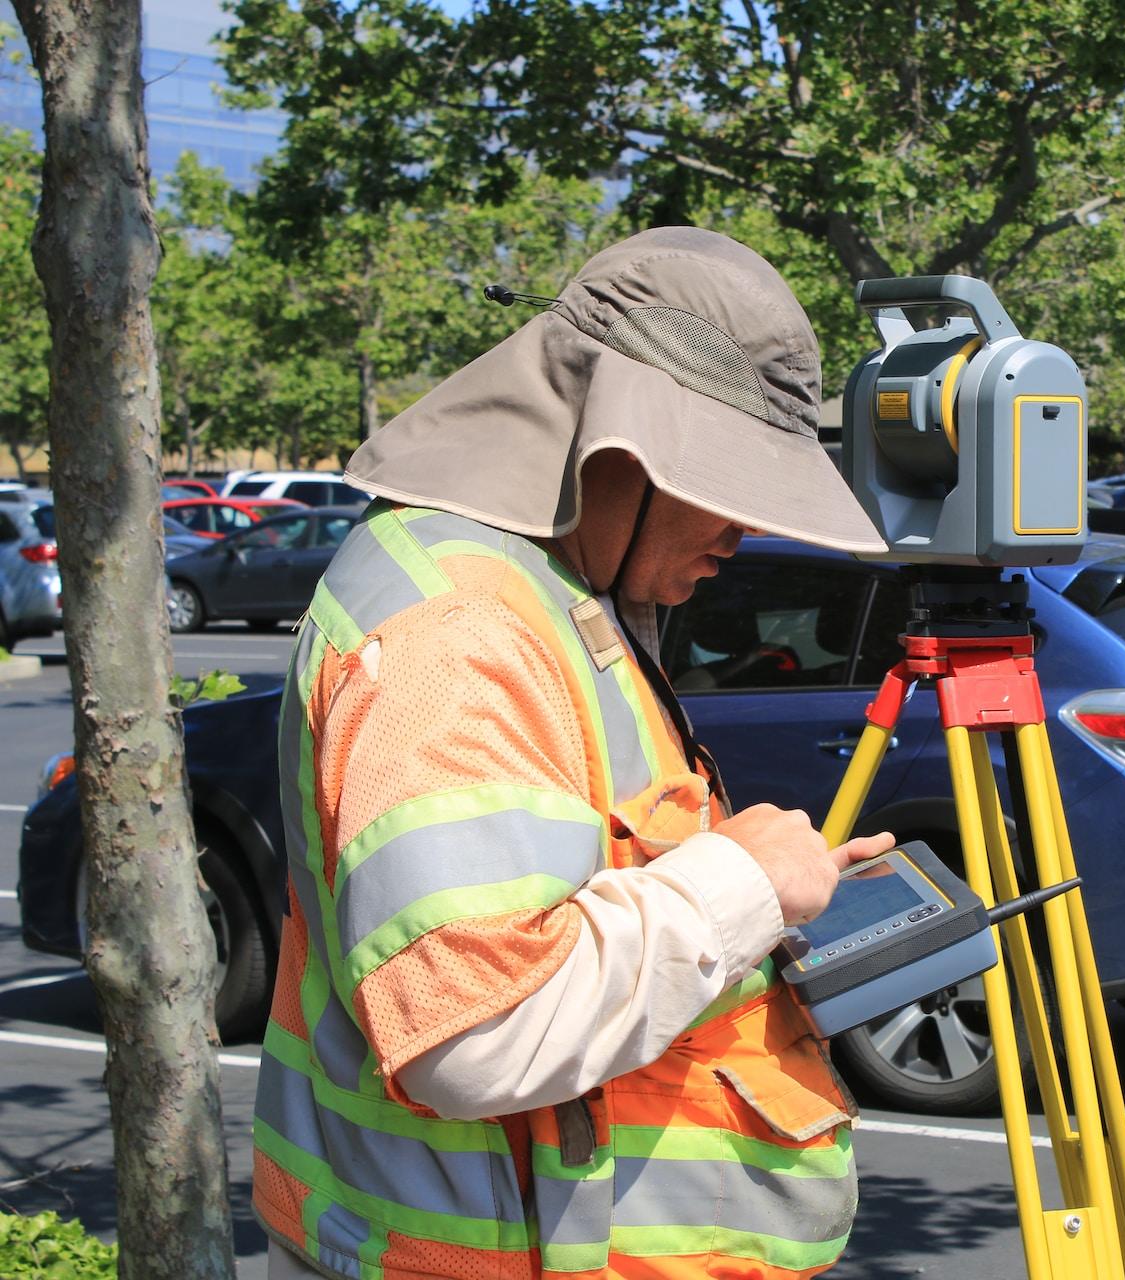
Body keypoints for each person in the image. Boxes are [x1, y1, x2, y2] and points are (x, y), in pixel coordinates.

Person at [255, 227, 895, 1280]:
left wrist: (778, 888)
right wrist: (740, 881)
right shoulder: (459, 631)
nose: (744, 533)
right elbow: (477, 1026)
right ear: (618, 448)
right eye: (725, 482)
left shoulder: (549, 590)